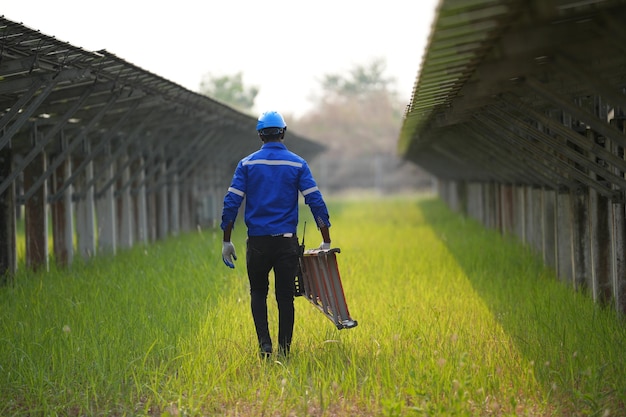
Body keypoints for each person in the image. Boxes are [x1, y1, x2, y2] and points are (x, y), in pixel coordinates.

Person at [220, 111, 332, 358]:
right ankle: (285, 351)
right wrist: (326, 238)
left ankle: (265, 347)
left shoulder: (247, 164)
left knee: (258, 292)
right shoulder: (298, 164)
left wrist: (226, 240)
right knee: (285, 298)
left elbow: (231, 203)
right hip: (286, 244)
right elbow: (315, 201)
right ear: (283, 132)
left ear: (260, 134)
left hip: (257, 242)